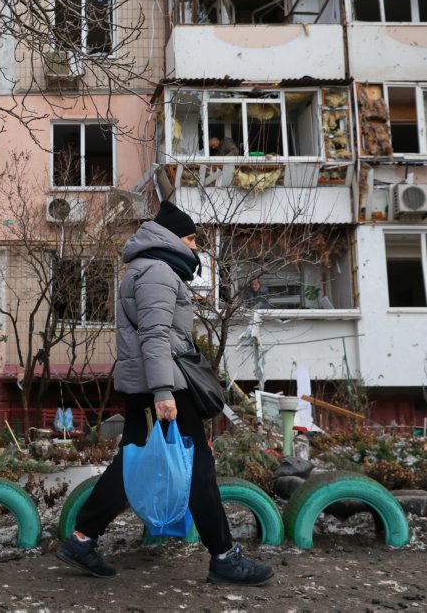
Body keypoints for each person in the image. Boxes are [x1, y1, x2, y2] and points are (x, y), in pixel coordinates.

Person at [56, 200, 274, 587]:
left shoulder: (150, 268)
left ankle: (81, 538)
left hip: (153, 384)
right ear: (172, 237)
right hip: (164, 386)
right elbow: (154, 336)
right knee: (196, 465)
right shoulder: (157, 272)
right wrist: (163, 391)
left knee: (133, 464)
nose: (194, 247)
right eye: (191, 239)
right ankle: (223, 556)